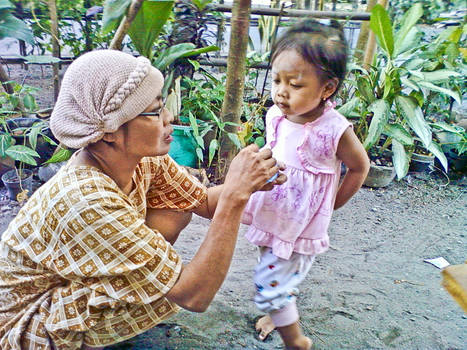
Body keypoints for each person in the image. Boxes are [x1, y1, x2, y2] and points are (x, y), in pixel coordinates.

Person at [0, 49, 286, 350]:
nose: (169, 117)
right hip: (24, 324)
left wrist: (249, 184)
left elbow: (201, 202)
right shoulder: (86, 201)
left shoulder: (135, 158)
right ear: (110, 131)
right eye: (155, 111)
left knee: (176, 209)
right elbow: (193, 296)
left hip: (65, 285)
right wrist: (235, 196)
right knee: (169, 283)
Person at [241, 20, 370, 350]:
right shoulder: (276, 115)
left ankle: (297, 341)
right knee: (269, 262)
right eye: (277, 80)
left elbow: (360, 166)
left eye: (295, 84)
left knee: (271, 281)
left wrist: (333, 204)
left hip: (301, 223)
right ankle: (279, 310)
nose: (281, 91)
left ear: (327, 89)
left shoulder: (334, 129)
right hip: (273, 210)